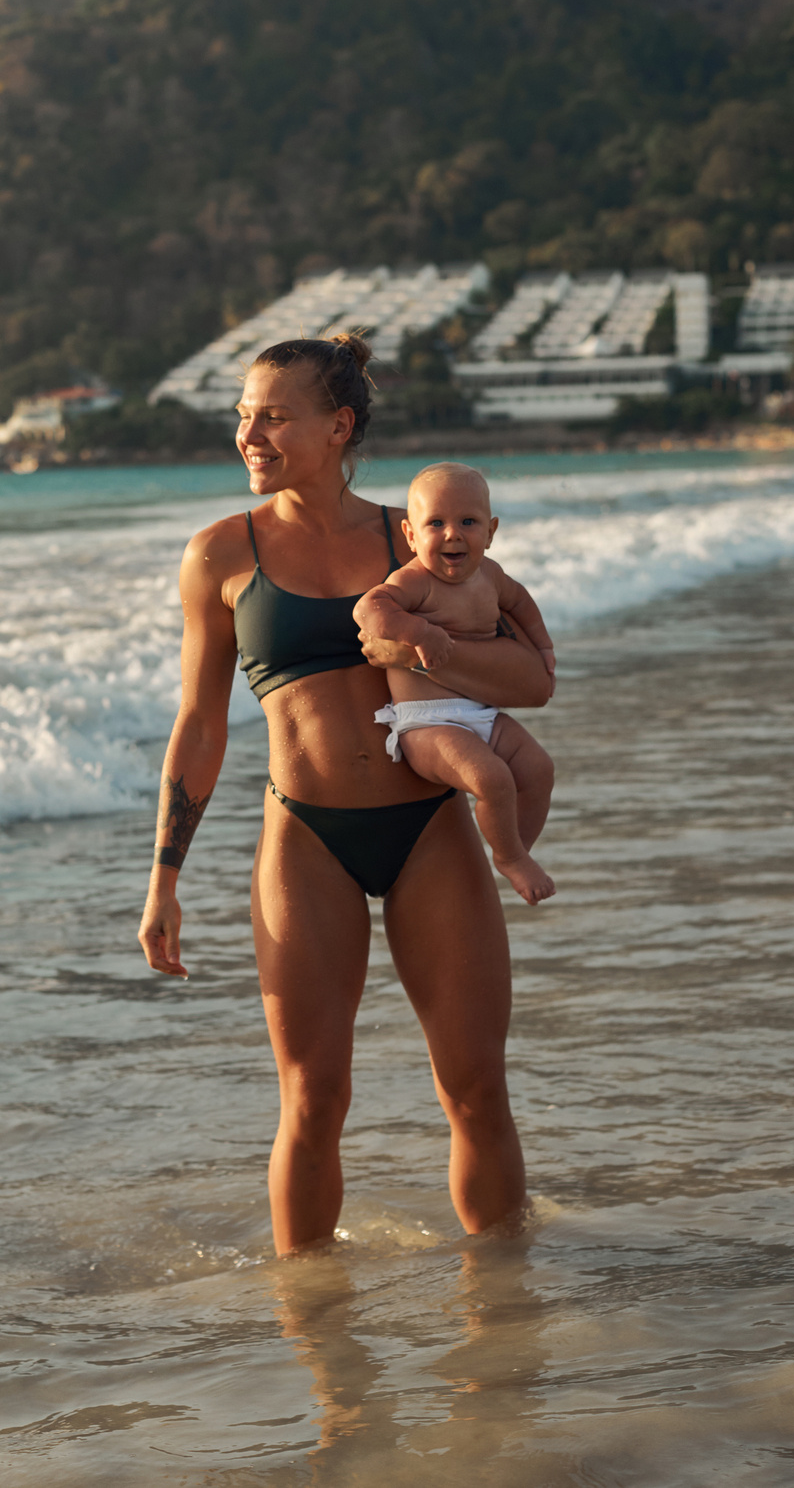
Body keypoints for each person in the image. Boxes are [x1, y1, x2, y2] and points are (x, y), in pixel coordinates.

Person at [137, 332, 552, 1252]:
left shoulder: (419, 535)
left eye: (274, 416)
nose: (251, 433)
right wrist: (165, 877)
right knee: (313, 1098)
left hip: (428, 826)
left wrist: (434, 650)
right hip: (305, 839)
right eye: (244, 416)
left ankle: (510, 1322)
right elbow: (201, 726)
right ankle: (319, 1350)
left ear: (339, 426)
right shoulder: (218, 555)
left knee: (477, 1087)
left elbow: (532, 677)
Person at [353, 461, 559, 907]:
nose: (453, 534)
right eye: (436, 523)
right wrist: (417, 633)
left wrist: (543, 648)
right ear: (410, 534)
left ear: (492, 530)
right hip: (426, 724)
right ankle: (511, 857)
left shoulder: (492, 577)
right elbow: (368, 610)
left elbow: (522, 603)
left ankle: (512, 850)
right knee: (492, 777)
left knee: (539, 770)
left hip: (482, 713)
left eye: (469, 521)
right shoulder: (414, 581)